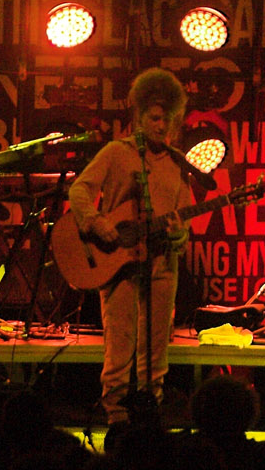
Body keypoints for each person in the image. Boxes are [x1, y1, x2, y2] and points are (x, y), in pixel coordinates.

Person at [65, 68, 193, 424]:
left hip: (162, 263)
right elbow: (79, 190)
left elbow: (184, 217)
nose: (162, 126)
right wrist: (96, 221)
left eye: (168, 119)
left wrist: (180, 235)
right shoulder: (117, 153)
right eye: (155, 118)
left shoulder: (177, 163)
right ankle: (117, 418)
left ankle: (150, 416)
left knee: (157, 351)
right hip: (117, 262)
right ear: (140, 116)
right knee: (120, 345)